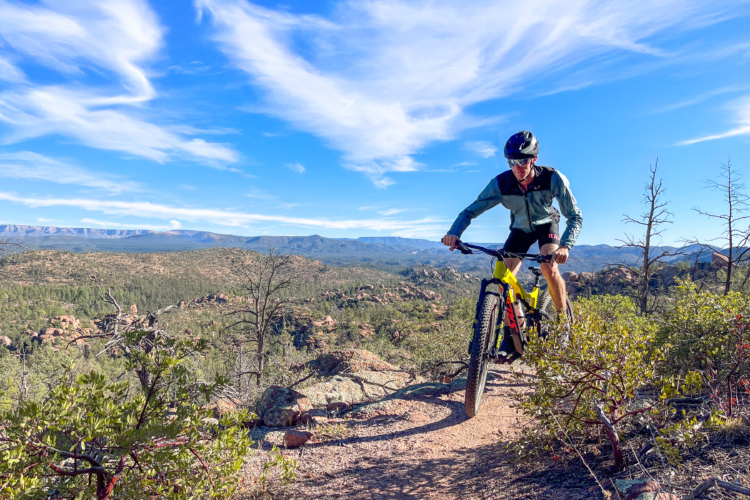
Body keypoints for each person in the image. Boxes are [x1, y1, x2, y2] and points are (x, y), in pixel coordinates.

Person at [442, 131, 582, 355]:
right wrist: (454, 233)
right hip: (520, 230)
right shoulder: (501, 183)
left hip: (547, 224)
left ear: (533, 159)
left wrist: (565, 245)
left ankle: (563, 321)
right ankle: (510, 336)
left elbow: (575, 216)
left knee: (548, 266)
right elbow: (470, 211)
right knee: (502, 279)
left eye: (523, 161)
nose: (518, 167)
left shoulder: (552, 178)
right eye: (512, 162)